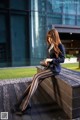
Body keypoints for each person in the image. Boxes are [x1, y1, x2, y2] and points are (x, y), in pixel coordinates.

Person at [11, 28, 65, 115]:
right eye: (48, 38)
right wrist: (45, 62)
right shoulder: (50, 45)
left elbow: (62, 59)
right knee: (32, 85)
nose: (49, 39)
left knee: (36, 76)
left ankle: (24, 106)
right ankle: (18, 104)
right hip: (49, 68)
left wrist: (51, 60)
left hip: (55, 69)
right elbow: (50, 59)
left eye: (50, 37)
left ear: (55, 37)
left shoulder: (60, 45)